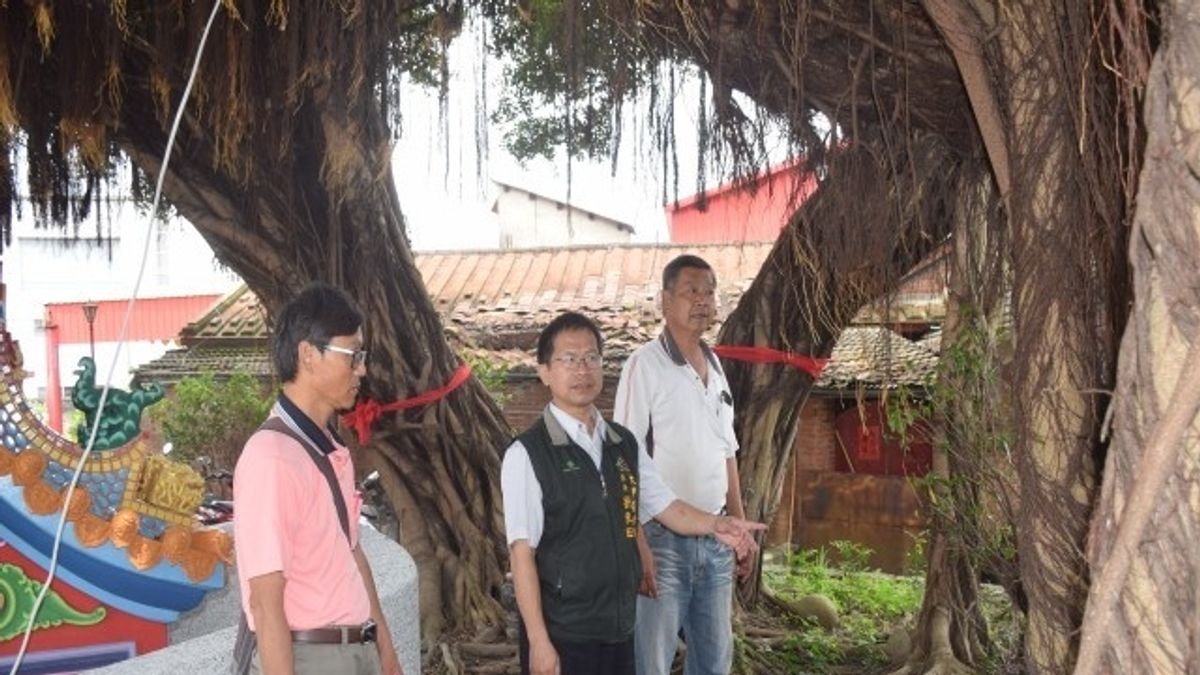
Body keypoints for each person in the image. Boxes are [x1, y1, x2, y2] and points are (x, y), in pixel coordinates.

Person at [501, 311, 763, 675]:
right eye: (568, 359)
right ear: (544, 371)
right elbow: (521, 554)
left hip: (620, 628)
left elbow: (668, 507)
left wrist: (719, 524)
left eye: (591, 357)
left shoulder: (622, 444)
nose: (582, 369)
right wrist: (539, 642)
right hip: (565, 633)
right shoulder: (527, 454)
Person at [233, 283, 402, 675]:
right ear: (308, 354)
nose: (361, 368)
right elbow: (265, 601)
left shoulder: (326, 447)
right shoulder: (271, 458)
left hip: (355, 651)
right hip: (313, 659)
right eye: (353, 354)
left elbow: (353, 556)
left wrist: (385, 653)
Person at [614, 255, 747, 675]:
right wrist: (636, 542)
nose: (702, 301)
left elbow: (728, 451)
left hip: (717, 538)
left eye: (709, 292)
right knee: (651, 661)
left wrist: (739, 527)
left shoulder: (718, 366)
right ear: (664, 301)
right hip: (662, 538)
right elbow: (623, 458)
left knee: (714, 661)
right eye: (691, 291)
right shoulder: (644, 364)